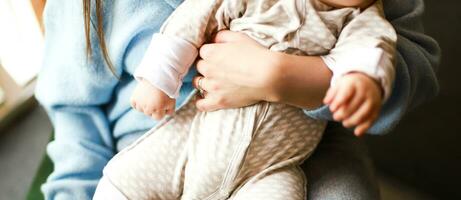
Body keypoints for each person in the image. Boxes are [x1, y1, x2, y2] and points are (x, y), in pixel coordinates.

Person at [35, 0, 440, 199]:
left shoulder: (365, 18)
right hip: (170, 141)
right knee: (123, 184)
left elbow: (398, 57)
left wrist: (292, 79)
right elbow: (75, 118)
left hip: (290, 155)